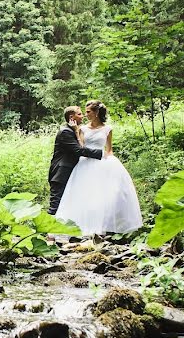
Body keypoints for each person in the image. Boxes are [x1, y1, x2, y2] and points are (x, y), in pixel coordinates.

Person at [54, 100, 143, 236]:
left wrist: (110, 163)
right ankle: (79, 227)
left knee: (105, 195)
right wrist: (77, 132)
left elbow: (109, 150)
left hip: (103, 162)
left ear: (96, 113)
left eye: (88, 112)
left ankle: (105, 227)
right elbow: (81, 148)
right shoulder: (82, 129)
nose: (85, 114)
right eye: (84, 112)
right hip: (86, 163)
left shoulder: (108, 129)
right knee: (84, 195)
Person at [48, 105, 104, 215]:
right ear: (71, 117)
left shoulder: (74, 130)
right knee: (56, 204)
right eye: (79, 114)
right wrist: (101, 153)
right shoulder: (65, 132)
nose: (82, 116)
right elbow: (78, 151)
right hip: (61, 173)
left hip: (71, 171)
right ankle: (47, 230)